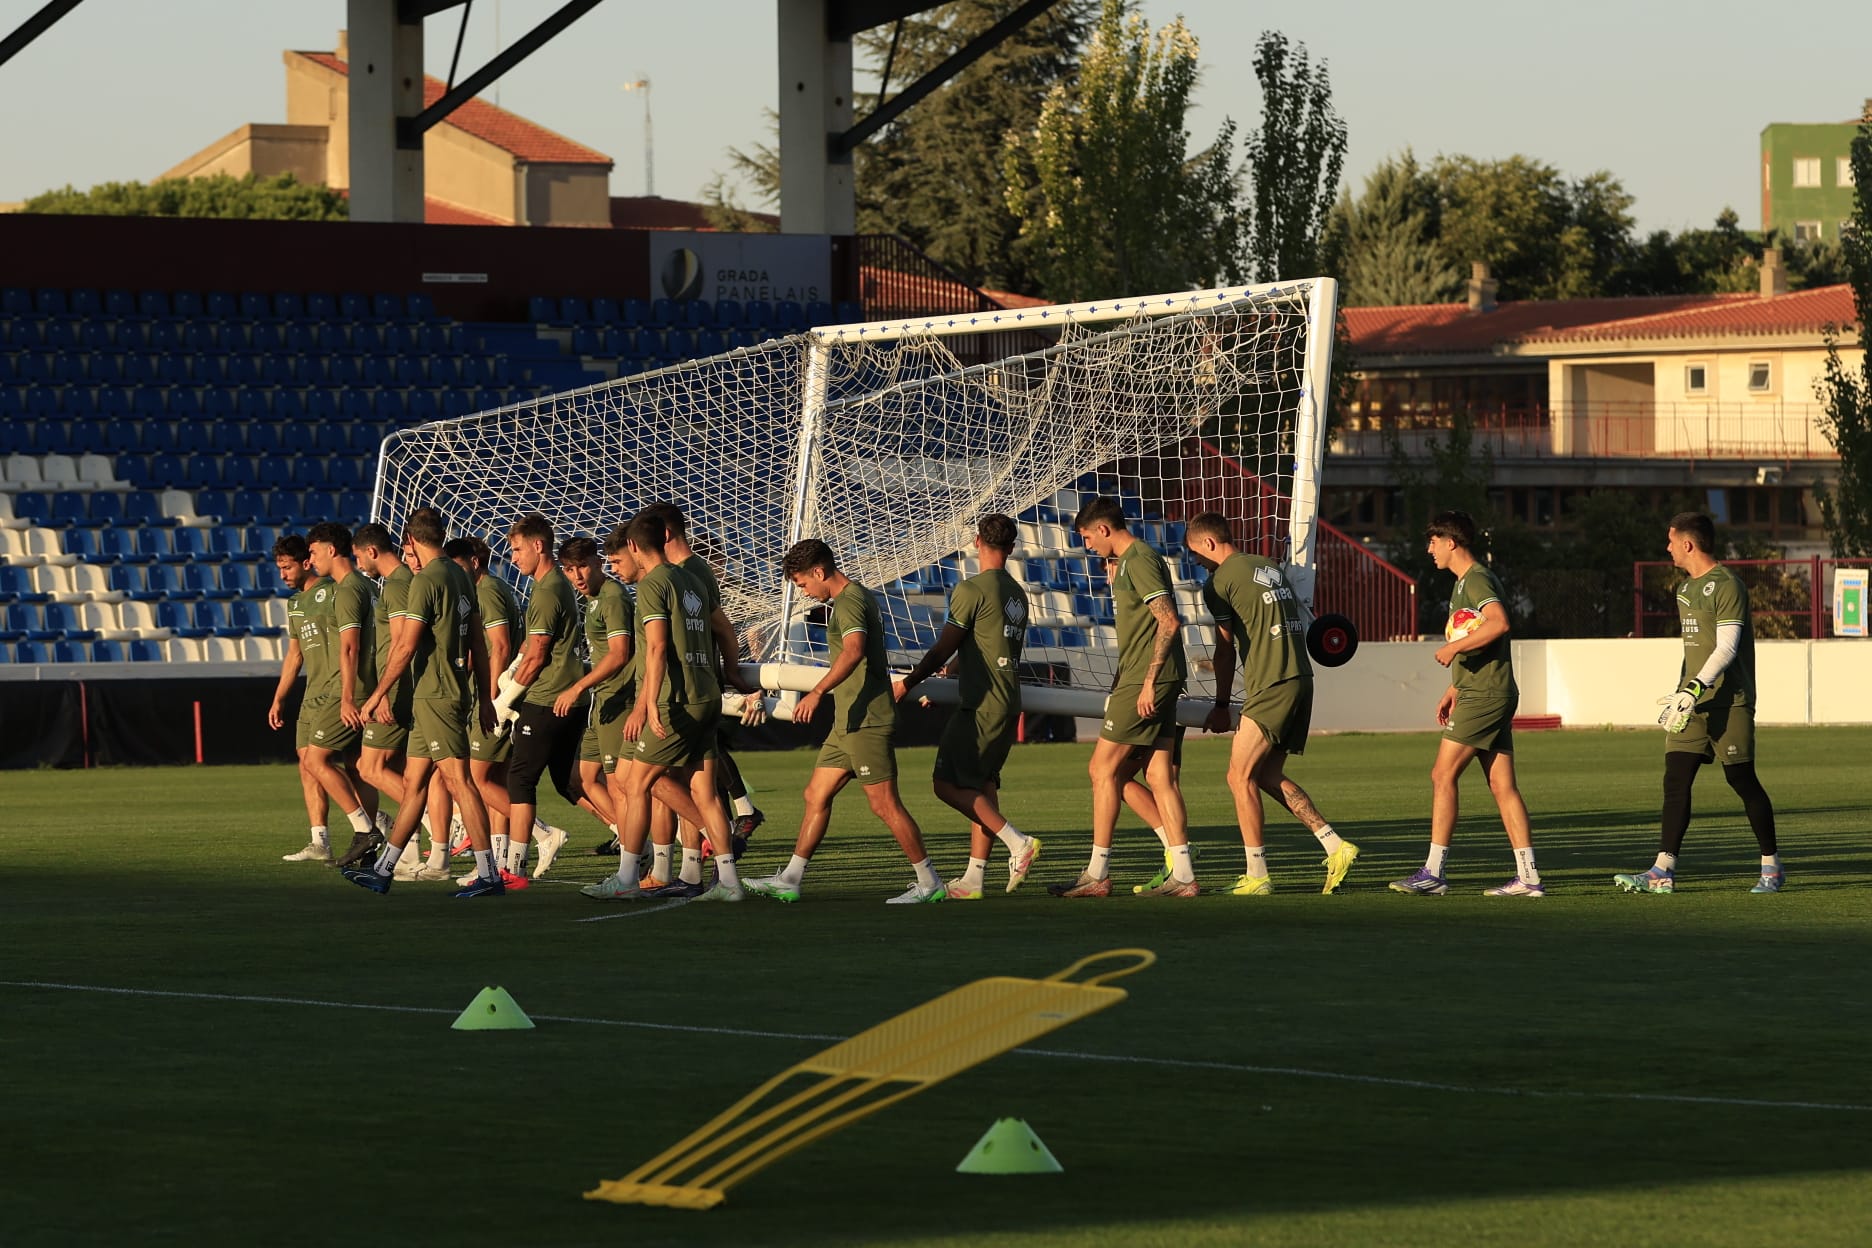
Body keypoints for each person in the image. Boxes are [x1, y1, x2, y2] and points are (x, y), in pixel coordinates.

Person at [744, 538, 945, 904]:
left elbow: (853, 651)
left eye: (803, 583)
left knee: (884, 805)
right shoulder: (854, 597)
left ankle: (929, 882)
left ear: (819, 572)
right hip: (847, 721)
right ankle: (790, 879)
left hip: (867, 719)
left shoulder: (850, 602)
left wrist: (817, 692)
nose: (804, 593)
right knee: (815, 794)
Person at [1185, 511, 1359, 895]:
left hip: (1271, 685)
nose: (1195, 561)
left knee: (1238, 776)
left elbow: (1225, 650)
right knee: (1264, 775)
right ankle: (1335, 845)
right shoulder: (1268, 566)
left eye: (1195, 552)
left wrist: (1220, 705)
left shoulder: (1219, 583)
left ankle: (1257, 875)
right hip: (1301, 679)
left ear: (1209, 543)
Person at [1615, 511, 1782, 895]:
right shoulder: (1684, 590)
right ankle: (1662, 870)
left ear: (1688, 544)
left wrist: (1693, 688)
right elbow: (1693, 651)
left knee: (1741, 779)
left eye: (1671, 541)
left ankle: (1772, 867)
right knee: (1675, 780)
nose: (1667, 548)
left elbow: (1727, 648)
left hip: (1729, 701)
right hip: (1691, 704)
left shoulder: (1728, 585)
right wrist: (1682, 694)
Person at [582, 512, 744, 901]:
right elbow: (721, 627)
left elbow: (656, 647)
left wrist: (648, 704)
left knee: (633, 781)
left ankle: (627, 878)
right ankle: (728, 881)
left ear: (634, 546)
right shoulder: (692, 578)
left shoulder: (654, 584)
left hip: (676, 699)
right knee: (704, 791)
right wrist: (732, 672)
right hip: (707, 695)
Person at [342, 509, 503, 897]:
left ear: (411, 540)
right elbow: (477, 643)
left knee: (460, 781)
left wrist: (377, 694)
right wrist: (484, 697)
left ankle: (489, 874)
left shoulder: (426, 580)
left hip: (436, 694)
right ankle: (383, 870)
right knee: (414, 785)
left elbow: (405, 646)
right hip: (446, 693)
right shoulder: (461, 576)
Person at [1389, 511, 1542, 897]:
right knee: (1502, 785)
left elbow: (1498, 623)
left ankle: (1434, 872)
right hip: (1484, 690)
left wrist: (1453, 648)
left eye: (1433, 542)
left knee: (1442, 775)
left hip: (1485, 695)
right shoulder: (1463, 583)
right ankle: (1528, 878)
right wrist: (1455, 687)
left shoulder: (1476, 579)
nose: (1430, 550)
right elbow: (1482, 639)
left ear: (1451, 542)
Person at [1049, 497, 1196, 898]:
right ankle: (1184, 875)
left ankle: (1097, 873)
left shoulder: (1140, 559)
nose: (1088, 546)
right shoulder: (1130, 563)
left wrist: (1148, 682)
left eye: (1087, 538)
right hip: (1149, 677)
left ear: (1103, 529)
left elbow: (1169, 620)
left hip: (1147, 680)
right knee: (1159, 777)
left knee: (1102, 770)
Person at [892, 514, 1042, 899]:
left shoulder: (970, 589)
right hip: (1007, 700)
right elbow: (984, 643)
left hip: (981, 704)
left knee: (945, 785)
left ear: (976, 542)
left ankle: (1018, 842)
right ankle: (974, 879)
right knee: (982, 787)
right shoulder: (1017, 593)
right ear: (1011, 548)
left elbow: (944, 646)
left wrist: (909, 682)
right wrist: (951, 674)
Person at [640, 502, 767, 857]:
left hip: (691, 688)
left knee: (651, 780)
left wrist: (730, 670)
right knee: (693, 783)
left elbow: (719, 629)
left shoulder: (688, 572)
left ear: (664, 534)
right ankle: (697, 865)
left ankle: (720, 838)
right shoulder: (687, 572)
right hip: (699, 685)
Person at [351, 523, 452, 880]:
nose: (359, 564)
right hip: (414, 688)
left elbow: (399, 642)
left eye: (358, 556)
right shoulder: (406, 581)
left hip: (398, 689)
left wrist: (382, 693)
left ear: (372, 551)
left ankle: (429, 830)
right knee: (419, 773)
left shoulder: (396, 584)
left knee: (370, 768)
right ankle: (420, 851)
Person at [270, 533, 376, 865]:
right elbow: (294, 655)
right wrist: (279, 698)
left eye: (287, 567)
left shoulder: (334, 591)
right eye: (279, 568)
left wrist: (348, 694)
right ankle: (320, 841)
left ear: (306, 562)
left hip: (339, 691)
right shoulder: (294, 604)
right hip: (312, 694)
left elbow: (352, 643)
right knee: (308, 765)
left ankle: (374, 828)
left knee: (353, 766)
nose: (283, 574)